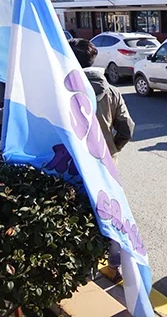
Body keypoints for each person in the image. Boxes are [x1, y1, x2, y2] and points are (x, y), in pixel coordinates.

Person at [68, 38, 135, 284]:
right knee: (110, 213)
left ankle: (82, 268)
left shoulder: (65, 90)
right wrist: (110, 150)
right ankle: (113, 266)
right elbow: (127, 129)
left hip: (74, 164)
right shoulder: (113, 91)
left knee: (78, 212)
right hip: (107, 164)